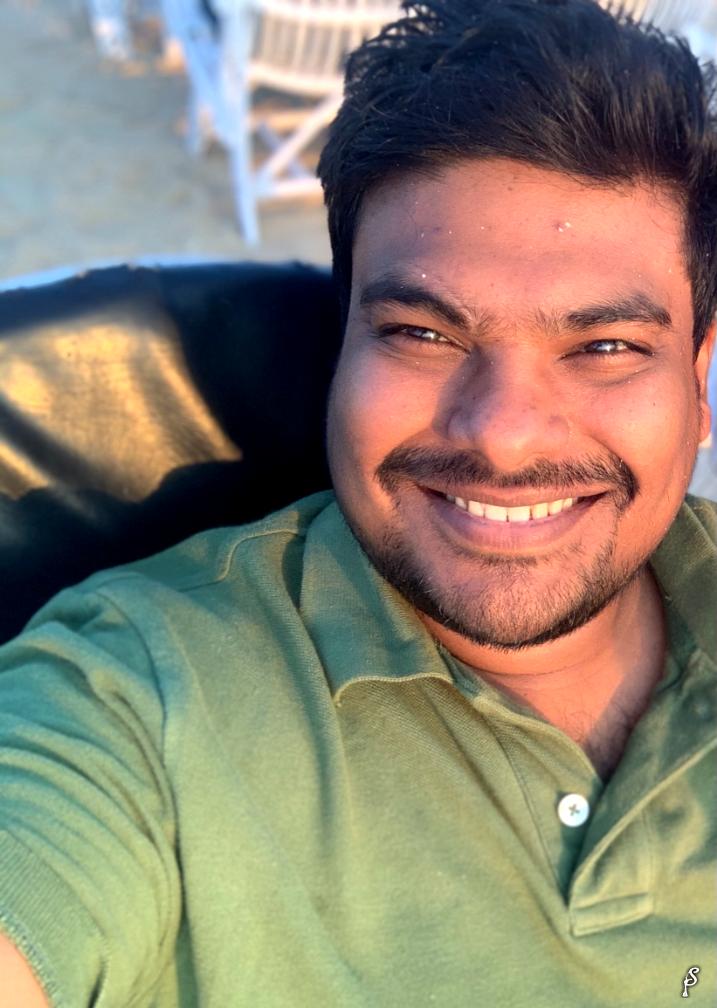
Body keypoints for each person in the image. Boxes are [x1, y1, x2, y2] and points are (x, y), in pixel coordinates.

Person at [1, 0, 715, 1004]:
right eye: (423, 334)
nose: (503, 434)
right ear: (340, 346)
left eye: (604, 347)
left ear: (698, 381)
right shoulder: (138, 696)